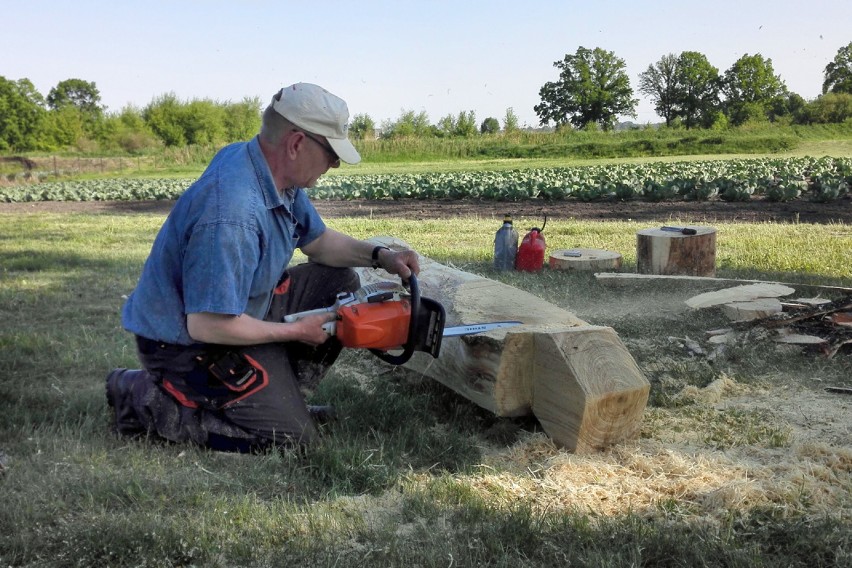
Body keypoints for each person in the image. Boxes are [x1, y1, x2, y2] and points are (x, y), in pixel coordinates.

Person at [106, 82, 420, 452]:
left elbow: (317, 242)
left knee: (339, 282)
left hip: (235, 313)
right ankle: (146, 400)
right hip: (185, 345)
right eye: (331, 153)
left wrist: (380, 256)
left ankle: (279, 400)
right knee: (292, 442)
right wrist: (295, 331)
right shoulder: (232, 213)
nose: (335, 164)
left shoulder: (268, 171)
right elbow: (207, 324)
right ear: (297, 144)